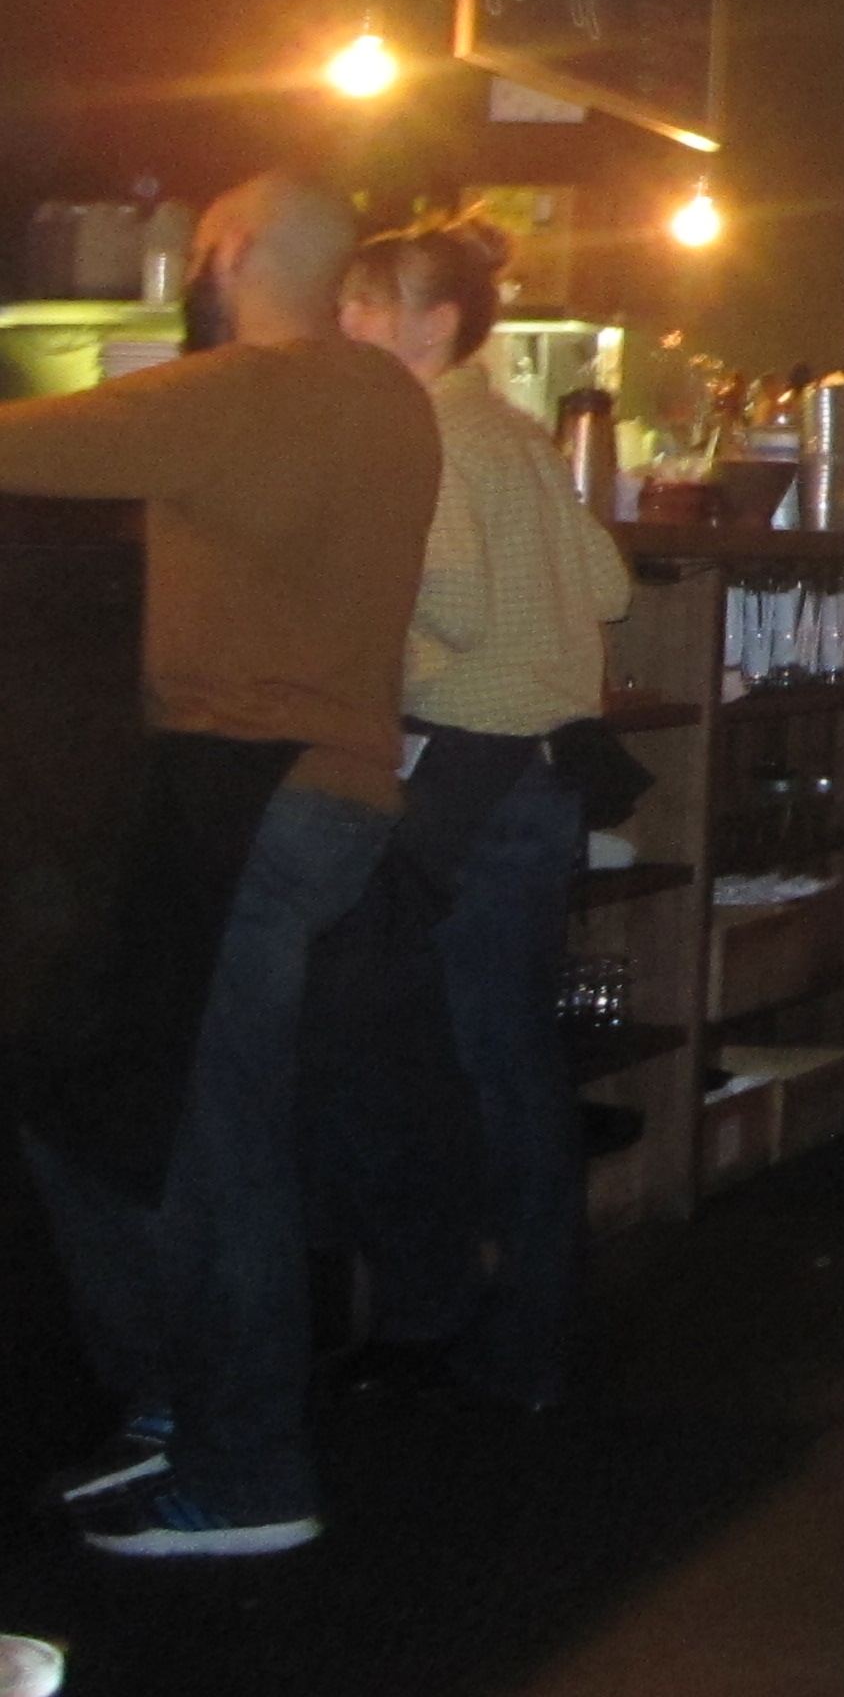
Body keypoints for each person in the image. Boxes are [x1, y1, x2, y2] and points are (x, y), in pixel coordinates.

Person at [0, 174, 441, 1558]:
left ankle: (250, 1472)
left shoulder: (243, 395)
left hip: (251, 799)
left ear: (231, 251)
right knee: (95, 1100)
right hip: (320, 801)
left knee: (206, 1144)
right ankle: (176, 1404)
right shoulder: (388, 399)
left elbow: (34, 446)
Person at [322, 212, 636, 1413]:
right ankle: (520, 1329)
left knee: (431, 1060)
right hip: (538, 777)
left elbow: (446, 601)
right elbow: (607, 582)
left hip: (463, 770)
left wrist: (352, 631)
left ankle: (474, 1330)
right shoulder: (512, 432)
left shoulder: (431, 431)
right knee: (505, 1060)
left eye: (367, 302)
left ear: (434, 323)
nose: (346, 320)